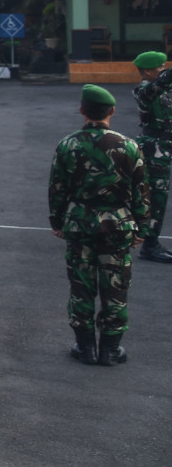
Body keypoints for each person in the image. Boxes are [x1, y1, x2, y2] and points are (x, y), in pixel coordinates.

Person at [49, 84, 150, 365]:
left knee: (81, 287)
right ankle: (110, 348)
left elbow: (57, 188)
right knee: (115, 286)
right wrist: (142, 226)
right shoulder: (128, 145)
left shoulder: (68, 145)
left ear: (83, 111)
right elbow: (140, 190)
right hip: (117, 225)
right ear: (112, 111)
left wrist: (56, 221)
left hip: (80, 224)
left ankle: (85, 347)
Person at [134, 51, 172, 262]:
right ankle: (149, 245)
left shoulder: (161, 90)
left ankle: (152, 242)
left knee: (161, 196)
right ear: (148, 71)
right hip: (154, 149)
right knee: (157, 198)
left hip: (164, 146)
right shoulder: (145, 90)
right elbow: (166, 79)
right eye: (159, 67)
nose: (163, 69)